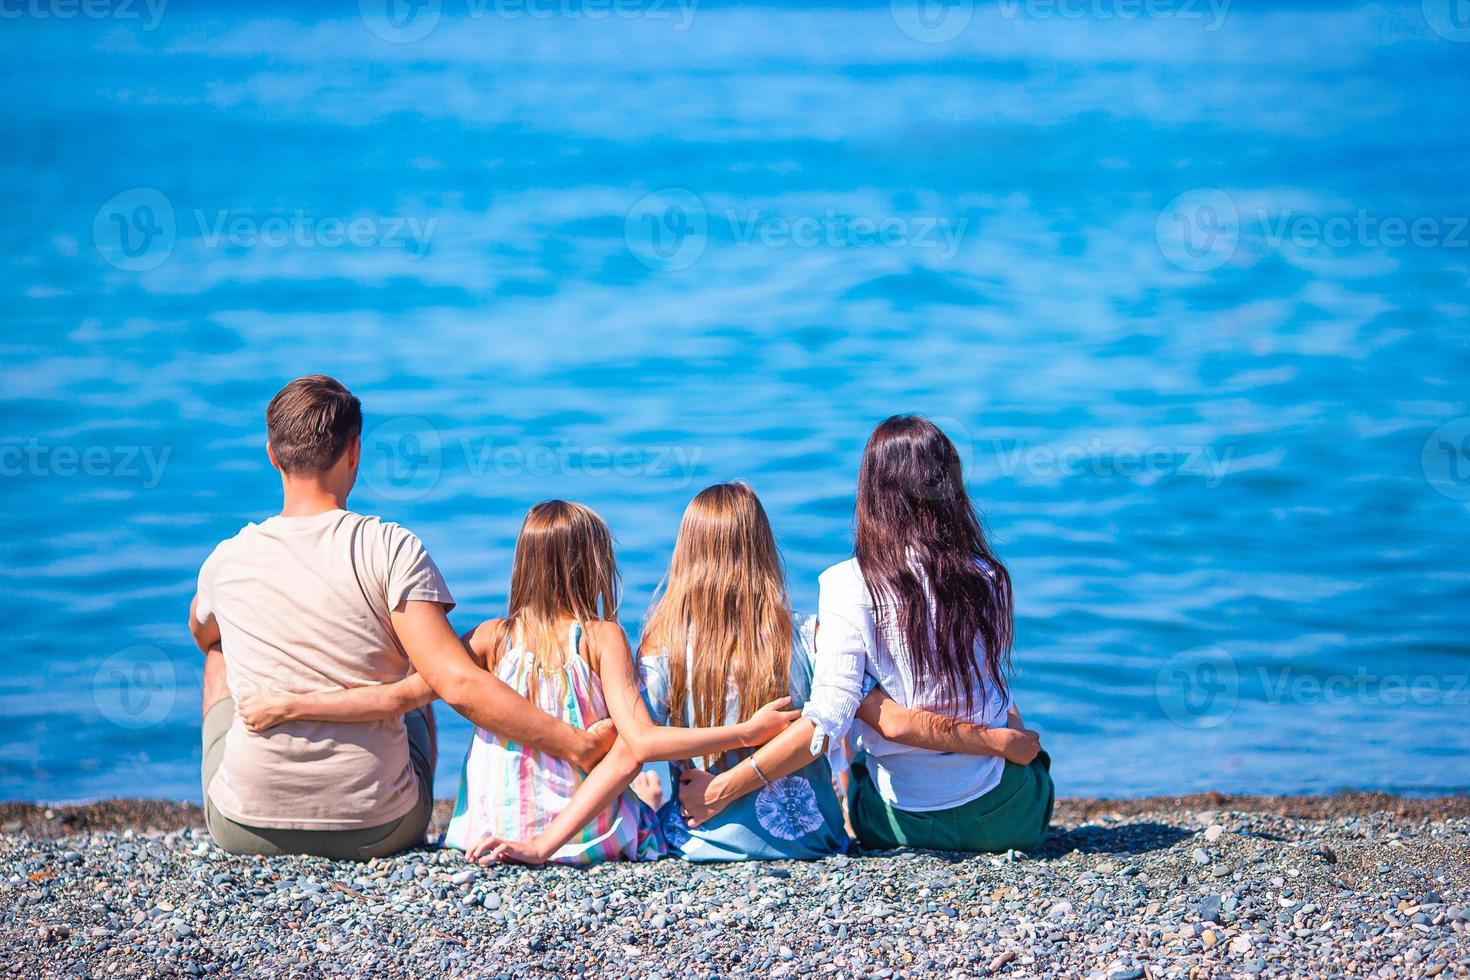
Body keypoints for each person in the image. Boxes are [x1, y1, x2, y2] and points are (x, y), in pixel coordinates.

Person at [474, 482, 1040, 865]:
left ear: (686, 556)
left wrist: (544, 845)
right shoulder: (814, 634)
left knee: (649, 784)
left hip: (701, 843)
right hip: (812, 843)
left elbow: (630, 751)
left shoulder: (664, 648)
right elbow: (863, 718)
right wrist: (995, 736)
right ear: (764, 548)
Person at [187, 376, 612, 860]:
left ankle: (259, 781)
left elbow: (201, 632)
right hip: (381, 826)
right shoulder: (391, 548)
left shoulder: (227, 559)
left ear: (272, 455)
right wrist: (574, 744)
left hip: (244, 827)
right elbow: (458, 683)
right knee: (424, 662)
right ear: (354, 452)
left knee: (220, 652)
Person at [679, 418, 1053, 854]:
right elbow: (996, 699)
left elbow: (826, 721)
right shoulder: (986, 577)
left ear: (872, 491)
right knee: (1024, 742)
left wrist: (722, 788)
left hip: (896, 823)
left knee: (858, 748)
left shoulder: (845, 584)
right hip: (1005, 817)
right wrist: (1002, 742)